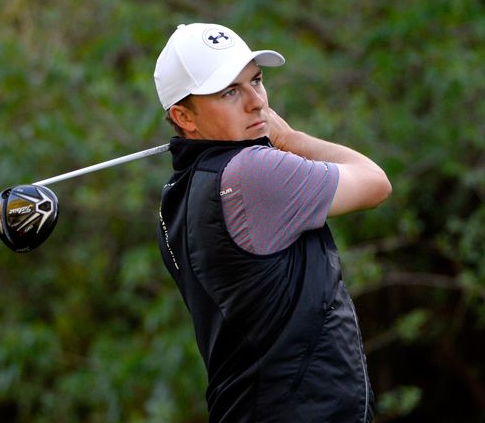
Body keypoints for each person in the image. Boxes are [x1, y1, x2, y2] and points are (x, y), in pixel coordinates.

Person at [153, 23, 391, 422]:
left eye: (256, 81)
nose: (256, 103)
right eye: (230, 92)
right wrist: (291, 138)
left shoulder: (176, 196)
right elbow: (375, 182)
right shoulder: (252, 172)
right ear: (183, 116)